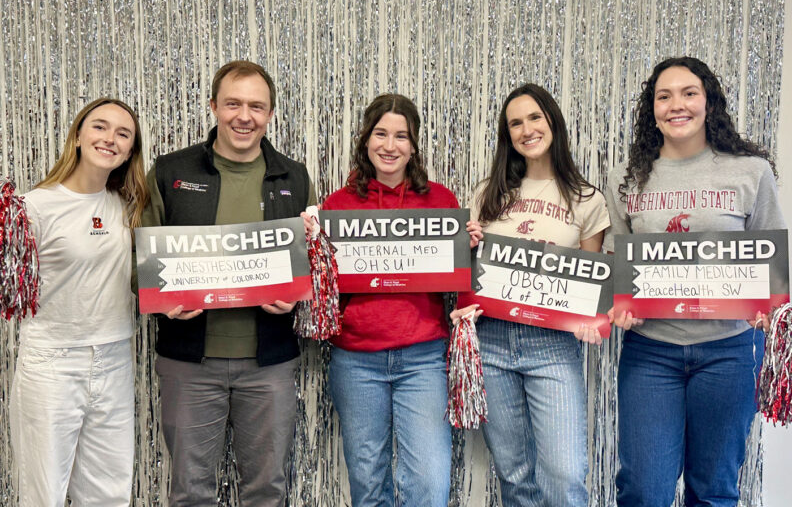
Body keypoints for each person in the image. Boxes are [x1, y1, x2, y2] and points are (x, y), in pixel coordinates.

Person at [604, 56, 785, 506]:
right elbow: (617, 265)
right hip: (651, 353)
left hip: (731, 350)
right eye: (663, 96)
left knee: (713, 491)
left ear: (708, 102)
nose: (676, 105)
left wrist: (775, 310)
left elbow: (772, 265)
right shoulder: (625, 180)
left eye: (688, 93)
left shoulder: (750, 172)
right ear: (653, 110)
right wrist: (619, 303)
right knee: (643, 491)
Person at [142, 60, 316, 506]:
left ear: (270, 113)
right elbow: (137, 260)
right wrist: (162, 300)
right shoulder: (170, 172)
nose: (244, 116)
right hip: (189, 362)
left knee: (267, 489)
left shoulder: (294, 178)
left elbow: (316, 263)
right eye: (233, 103)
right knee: (190, 491)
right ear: (213, 106)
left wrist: (298, 297)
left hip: (270, 363)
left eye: (256, 106)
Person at [454, 83, 610, 507]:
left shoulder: (587, 199)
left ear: (552, 122)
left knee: (564, 476)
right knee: (515, 475)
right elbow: (469, 270)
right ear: (508, 135)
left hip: (553, 346)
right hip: (492, 341)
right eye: (515, 123)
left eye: (534, 118)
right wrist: (464, 249)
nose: (526, 130)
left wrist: (594, 321)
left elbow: (590, 285)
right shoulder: (488, 193)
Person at [322, 93, 481, 507]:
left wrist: (469, 249)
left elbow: (460, 290)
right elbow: (325, 296)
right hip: (356, 361)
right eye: (381, 134)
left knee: (428, 485)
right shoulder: (338, 205)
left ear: (413, 146)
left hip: (424, 359)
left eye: (401, 136)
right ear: (366, 139)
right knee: (367, 482)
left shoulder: (441, 202)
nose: (390, 146)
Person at [9, 98, 148, 506]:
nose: (110, 139)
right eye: (100, 127)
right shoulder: (34, 207)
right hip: (53, 362)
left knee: (110, 493)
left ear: (130, 151)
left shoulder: (129, 207)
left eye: (123, 134)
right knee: (43, 494)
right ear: (78, 136)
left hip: (115, 356)